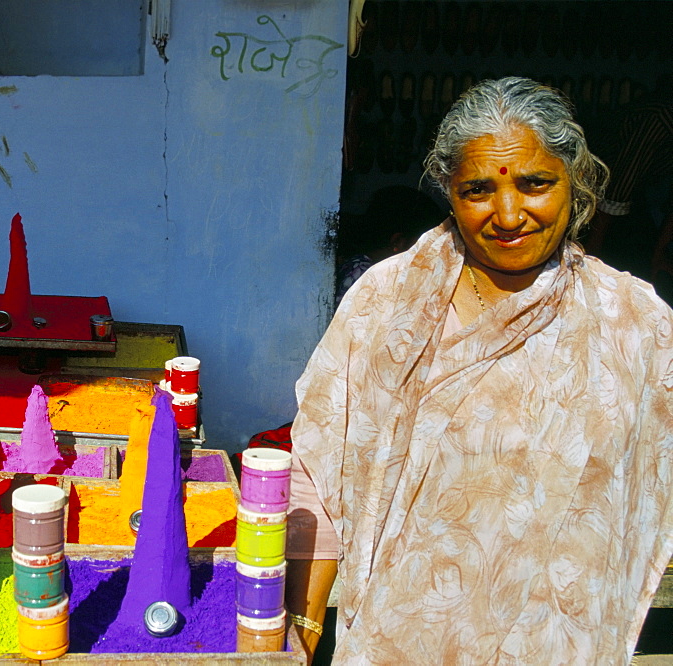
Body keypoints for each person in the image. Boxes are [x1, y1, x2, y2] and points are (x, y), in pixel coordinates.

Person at [284, 77, 673, 664]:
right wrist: (301, 633)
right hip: (398, 639)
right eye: (478, 190)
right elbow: (318, 467)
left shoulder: (634, 325)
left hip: (554, 645)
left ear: (575, 181)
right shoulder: (389, 303)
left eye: (536, 183)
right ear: (448, 191)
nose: (510, 214)